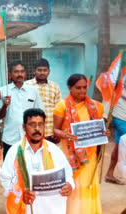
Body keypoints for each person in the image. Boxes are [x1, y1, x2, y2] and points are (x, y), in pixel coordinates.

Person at [53, 74, 110, 214]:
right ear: (70, 88)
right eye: (78, 88)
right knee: (75, 185)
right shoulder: (61, 106)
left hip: (90, 154)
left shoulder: (96, 107)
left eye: (85, 87)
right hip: (71, 154)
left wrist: (104, 133)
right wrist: (65, 134)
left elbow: (98, 128)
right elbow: (54, 130)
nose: (82, 91)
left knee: (88, 184)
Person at [0, 108, 74, 214]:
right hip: (25, 208)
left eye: (41, 124)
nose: (37, 129)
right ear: (24, 127)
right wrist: (21, 193)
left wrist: (69, 185)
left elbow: (68, 174)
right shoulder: (15, 151)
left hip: (50, 208)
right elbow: (6, 179)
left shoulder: (54, 150)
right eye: (32, 124)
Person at [0, 60, 44, 158]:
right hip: (10, 137)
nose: (19, 74)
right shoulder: (3, 90)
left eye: (22, 71)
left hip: (30, 136)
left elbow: (40, 113)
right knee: (10, 167)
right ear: (10, 74)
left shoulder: (33, 91)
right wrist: (5, 105)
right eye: (16, 72)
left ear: (25, 74)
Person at [25, 58, 61, 141]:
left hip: (50, 131)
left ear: (49, 71)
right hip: (32, 130)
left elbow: (58, 110)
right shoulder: (27, 85)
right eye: (39, 70)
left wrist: (57, 130)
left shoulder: (54, 86)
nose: (42, 72)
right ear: (34, 71)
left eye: (45, 70)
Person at [105, 87, 126, 185]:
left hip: (120, 116)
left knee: (119, 146)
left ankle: (109, 174)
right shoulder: (122, 74)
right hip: (122, 117)